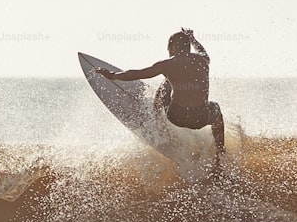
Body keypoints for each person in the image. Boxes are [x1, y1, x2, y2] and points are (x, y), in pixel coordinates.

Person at [95, 28, 225, 154]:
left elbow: (137, 74)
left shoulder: (167, 64)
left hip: (176, 117)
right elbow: (202, 51)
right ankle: (220, 152)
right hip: (200, 118)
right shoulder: (203, 60)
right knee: (216, 108)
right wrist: (193, 39)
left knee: (167, 81)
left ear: (173, 47)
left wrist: (112, 75)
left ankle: (155, 120)